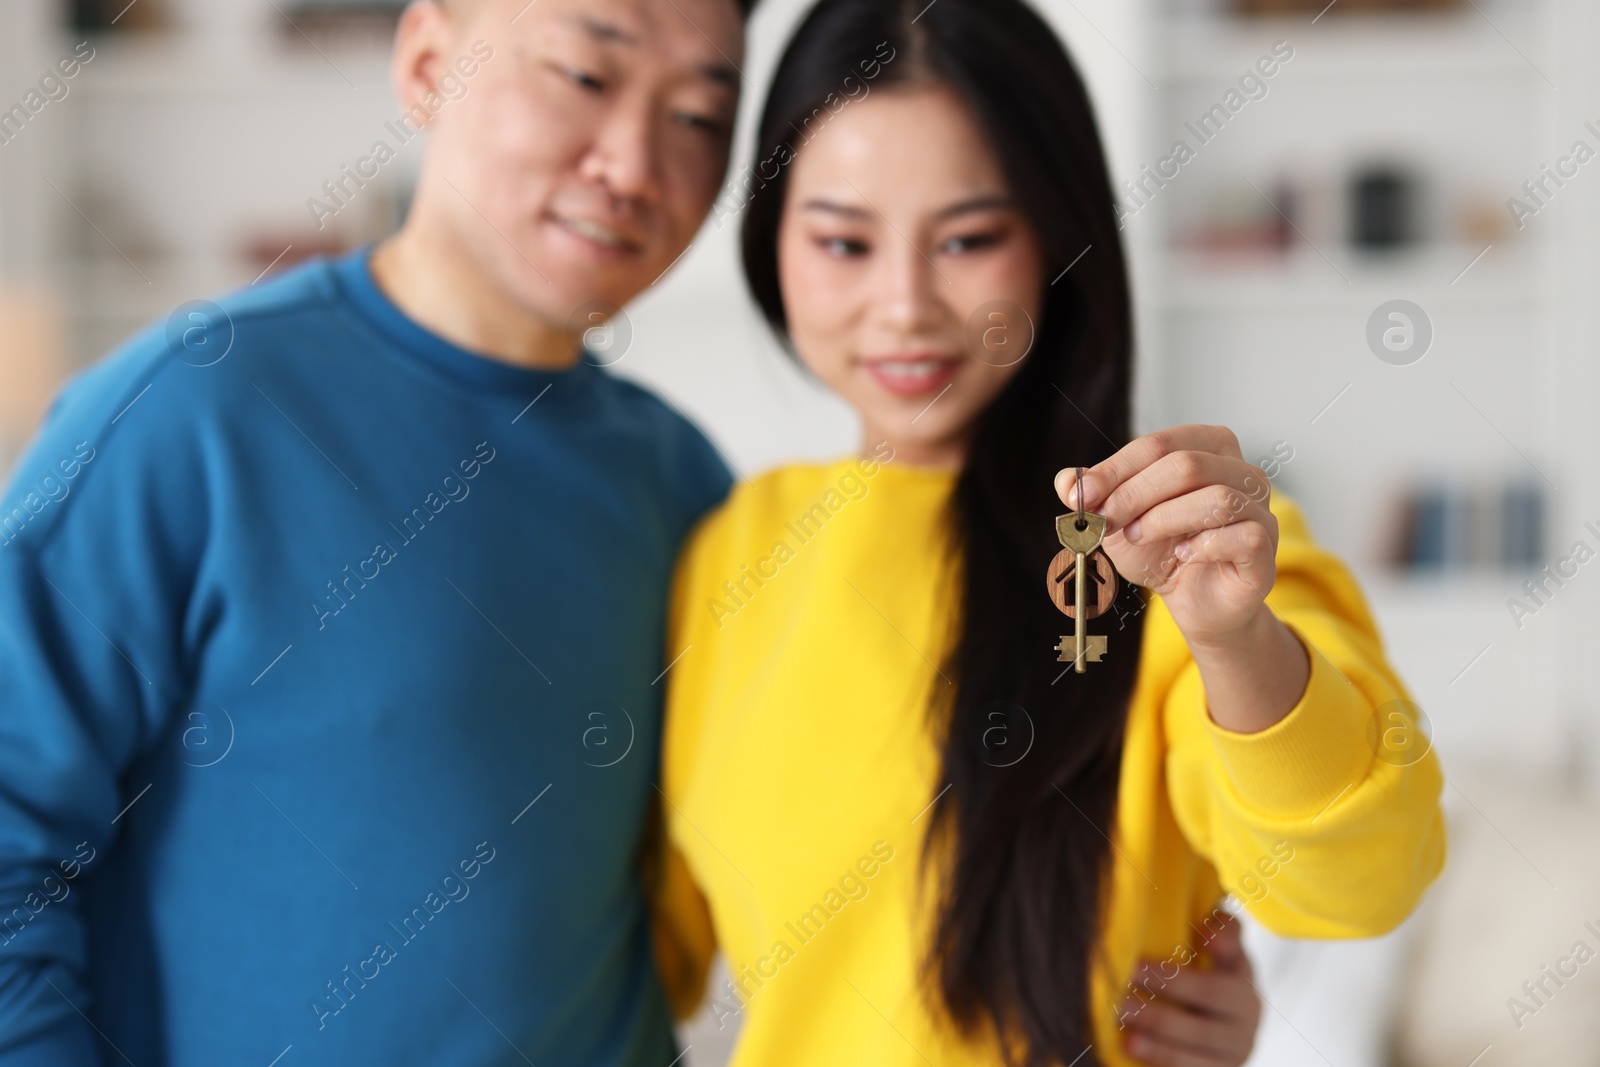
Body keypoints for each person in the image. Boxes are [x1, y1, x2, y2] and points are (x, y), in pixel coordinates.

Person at [653, 1, 1446, 1065]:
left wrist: (1230, 637)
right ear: (771, 240)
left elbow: (1363, 878)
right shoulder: (729, 549)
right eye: (843, 240)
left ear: (1054, 241)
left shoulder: (1188, 549)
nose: (903, 304)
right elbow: (644, 950)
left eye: (969, 237)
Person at [0, 0, 755, 1063]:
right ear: (427, 65)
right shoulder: (187, 415)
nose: (633, 161)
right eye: (587, 76)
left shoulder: (684, 486)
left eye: (698, 116)